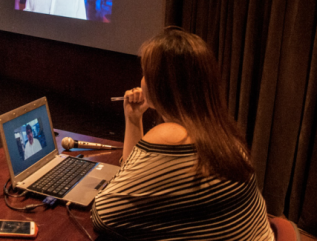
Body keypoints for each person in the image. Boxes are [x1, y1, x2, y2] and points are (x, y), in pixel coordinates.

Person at [91, 28, 274, 240]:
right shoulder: (221, 132)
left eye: (145, 74)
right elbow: (132, 177)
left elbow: (103, 214)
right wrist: (133, 120)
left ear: (162, 85)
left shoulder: (171, 136)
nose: (141, 81)